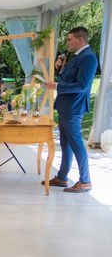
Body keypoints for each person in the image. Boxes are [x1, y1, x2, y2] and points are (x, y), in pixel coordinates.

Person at [45, 26, 98, 193]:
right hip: (64, 106)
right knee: (65, 144)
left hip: (73, 108)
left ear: (80, 40)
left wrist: (57, 86)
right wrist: (59, 68)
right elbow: (68, 78)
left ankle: (85, 181)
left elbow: (82, 86)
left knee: (76, 145)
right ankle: (62, 177)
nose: (67, 43)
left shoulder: (88, 58)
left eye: (69, 39)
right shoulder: (77, 57)